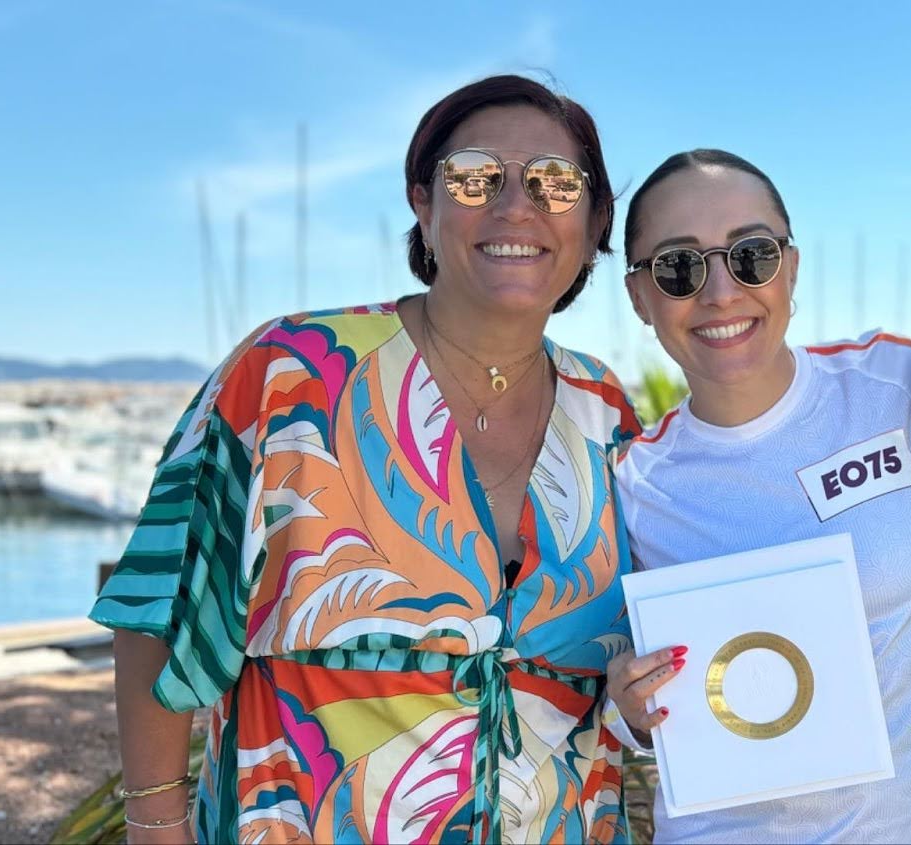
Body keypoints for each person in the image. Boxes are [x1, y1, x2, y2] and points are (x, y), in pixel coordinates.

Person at [90, 75, 642, 844]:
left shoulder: (606, 411)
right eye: (476, 176)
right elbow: (161, 607)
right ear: (424, 200)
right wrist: (155, 824)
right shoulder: (293, 373)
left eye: (556, 183)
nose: (517, 205)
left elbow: (630, 659)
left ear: (593, 220)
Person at [604, 149, 911, 842]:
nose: (720, 292)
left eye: (751, 254)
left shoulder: (904, 388)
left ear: (792, 266)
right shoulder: (629, 485)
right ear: (639, 296)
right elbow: (606, 697)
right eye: (679, 267)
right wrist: (630, 707)